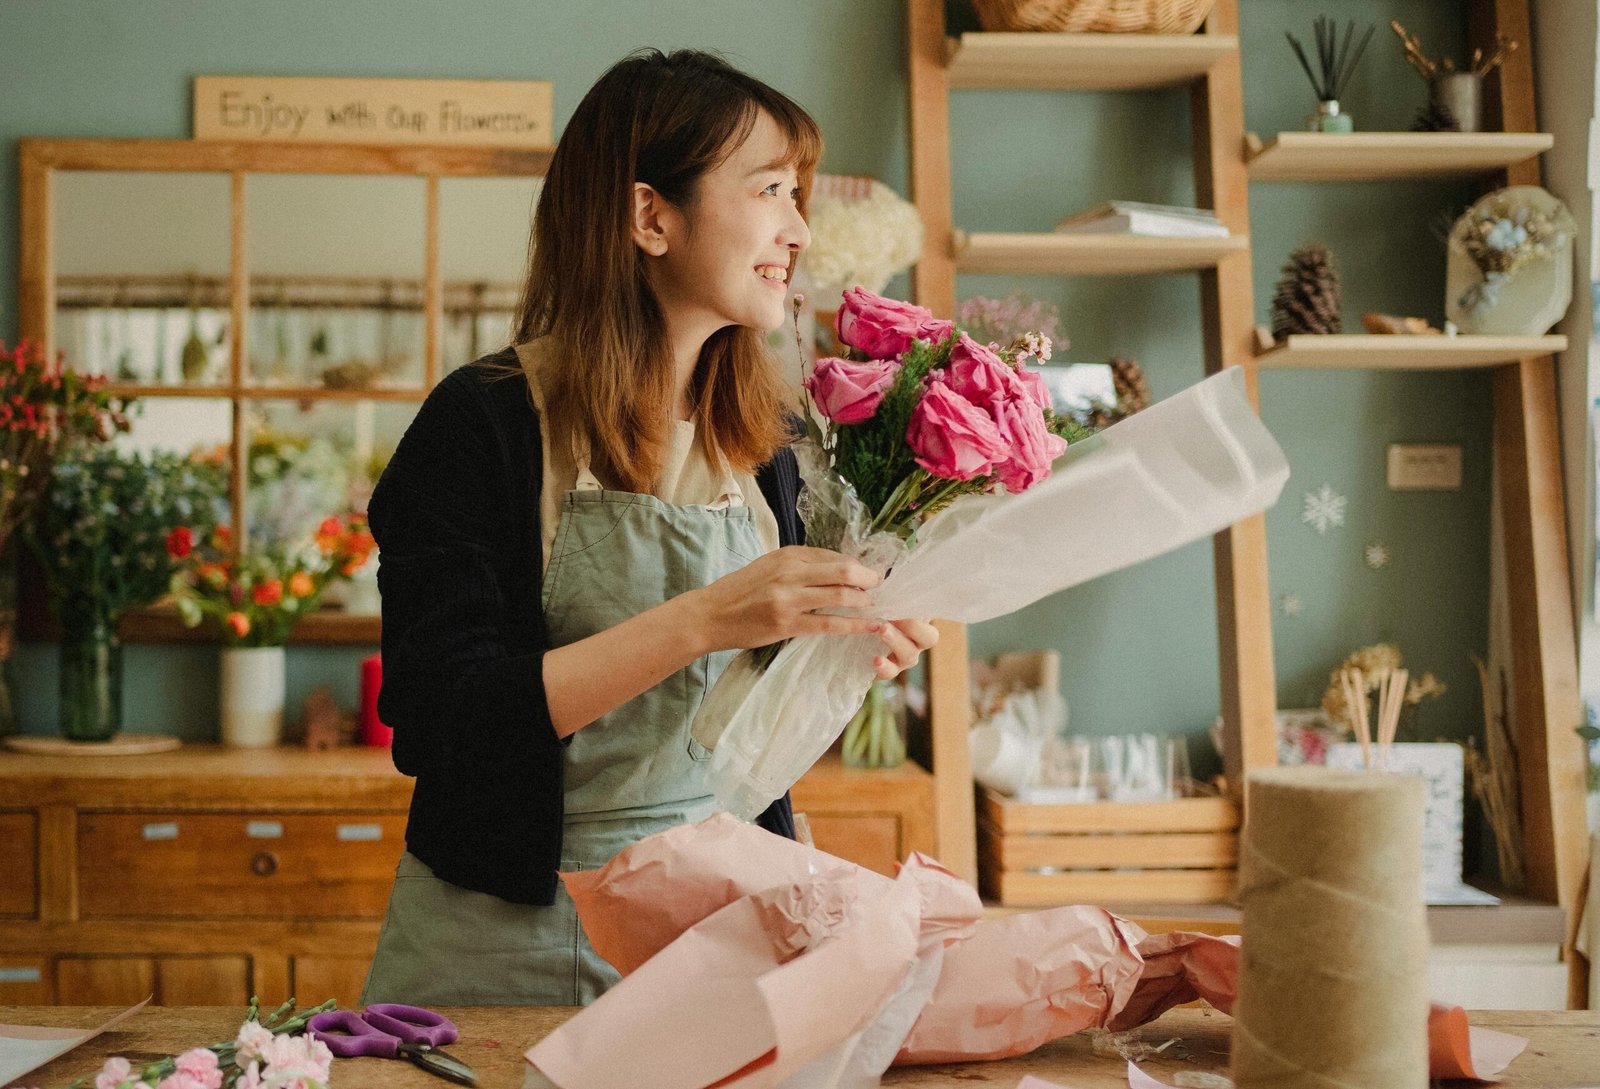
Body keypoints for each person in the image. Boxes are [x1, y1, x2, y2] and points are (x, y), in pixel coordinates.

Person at [359, 48, 939, 1007]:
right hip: (502, 946)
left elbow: (737, 728)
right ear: (649, 216)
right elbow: (444, 721)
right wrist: (707, 617)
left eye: (800, 197)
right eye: (771, 191)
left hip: (716, 932)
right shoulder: (483, 422)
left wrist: (839, 647)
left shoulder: (772, 442)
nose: (799, 230)